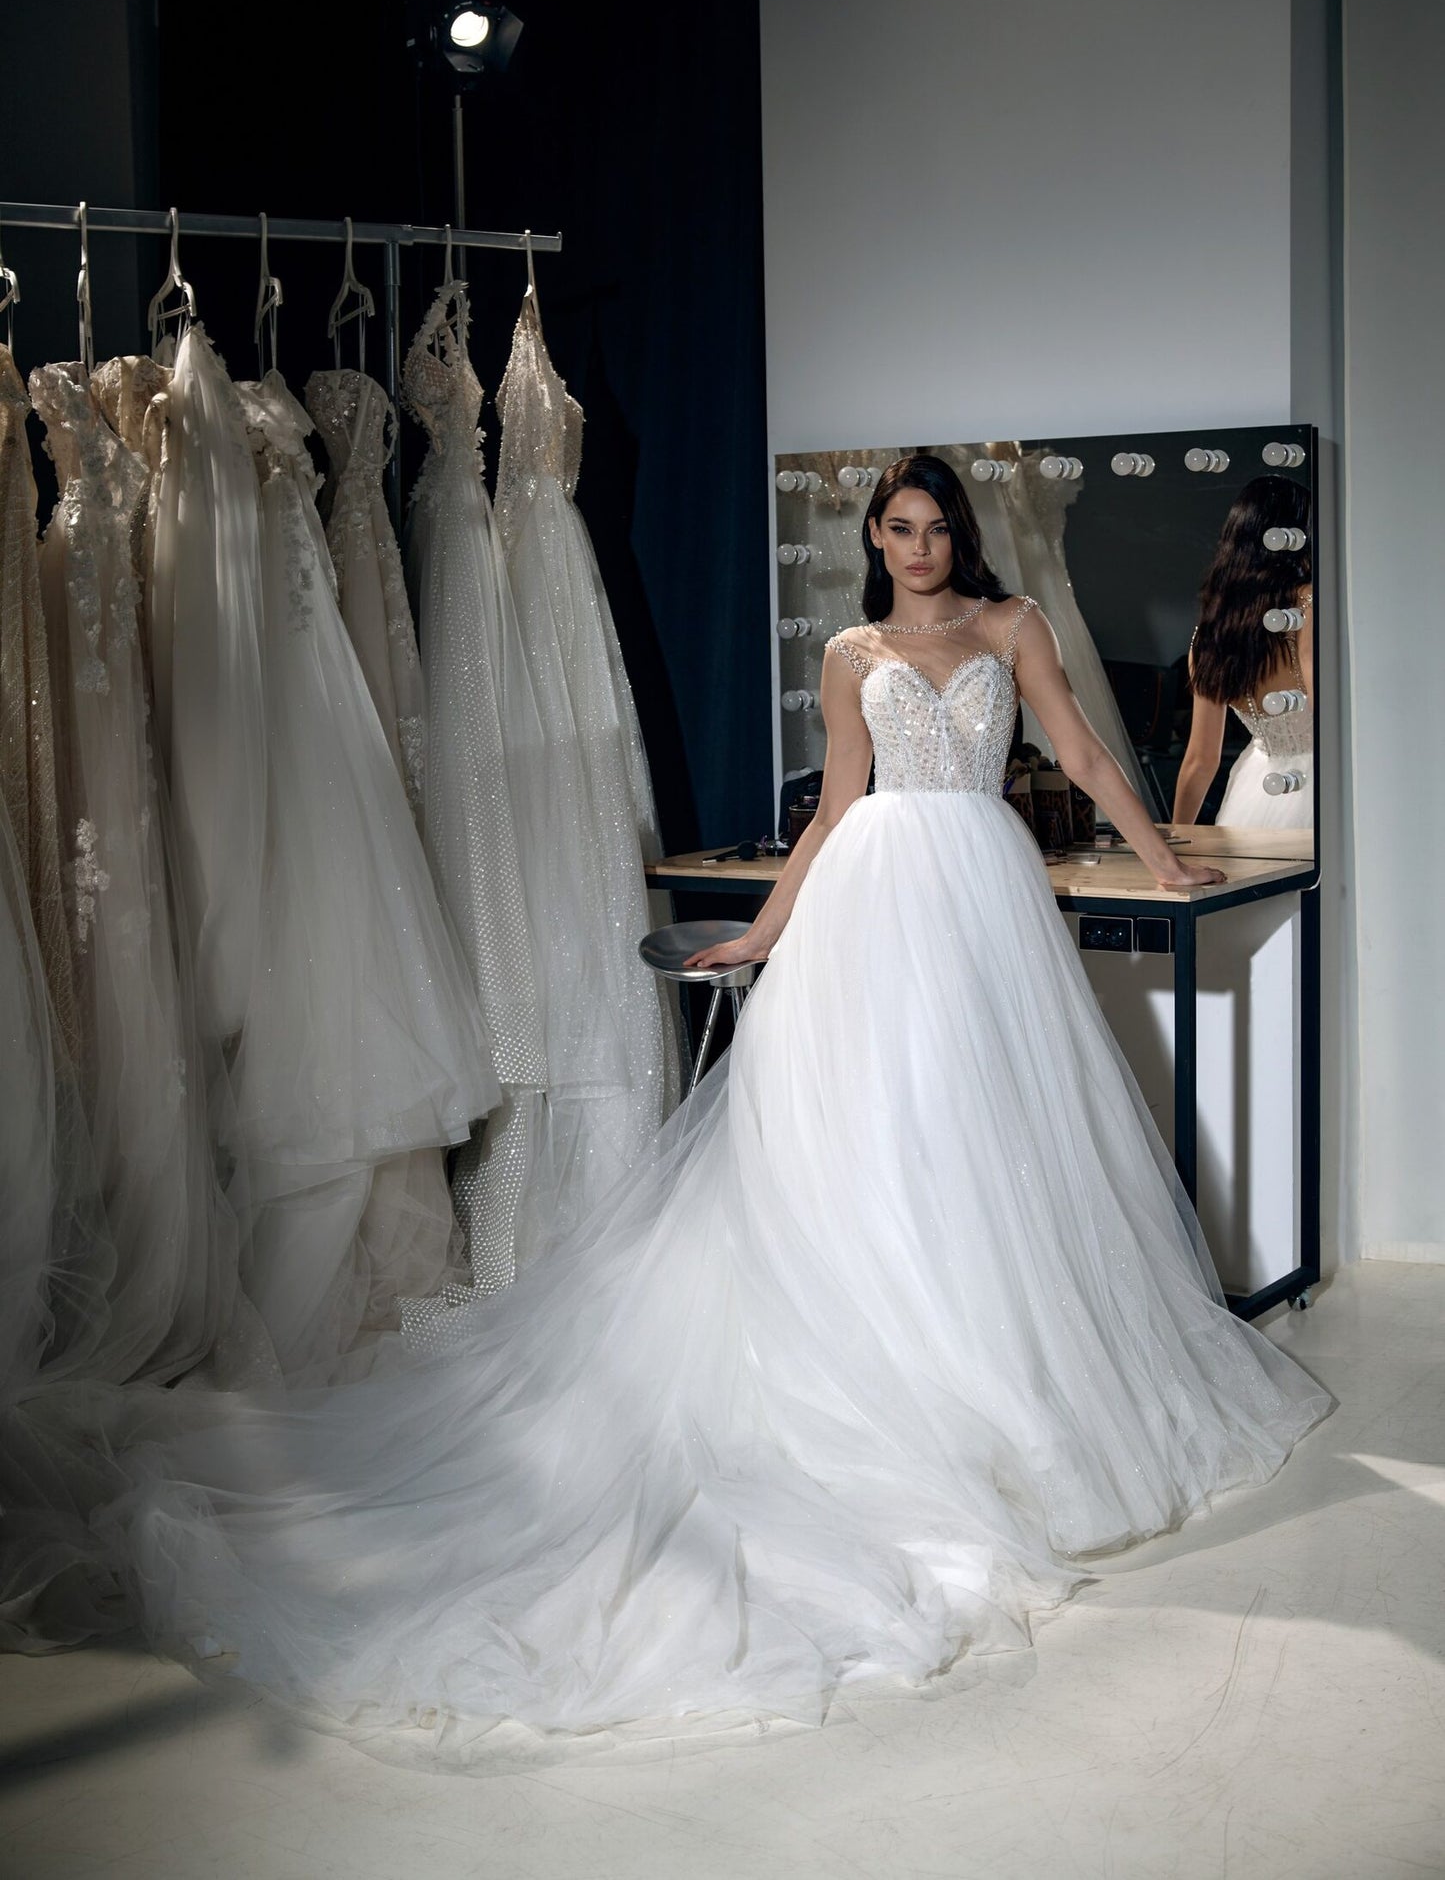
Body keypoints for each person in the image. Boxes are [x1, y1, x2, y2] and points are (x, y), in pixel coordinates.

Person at [90, 455, 1326, 1759]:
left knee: (986, 1141)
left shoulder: (1011, 626)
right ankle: (900, 1367)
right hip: (872, 898)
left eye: (934, 526)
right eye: (894, 528)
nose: (915, 546)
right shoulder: (850, 652)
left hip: (982, 892)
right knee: (879, 1141)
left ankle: (997, 1376)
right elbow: (836, 807)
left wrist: (1154, 848)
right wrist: (763, 936)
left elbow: (1075, 746)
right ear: (874, 537)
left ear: (964, 534)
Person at [1172, 477, 1314, 830]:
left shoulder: (1212, 633)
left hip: (1254, 792)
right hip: (1315, 785)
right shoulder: (1309, 605)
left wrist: (1175, 839)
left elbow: (1201, 760)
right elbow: (1329, 717)